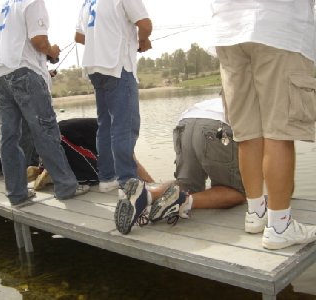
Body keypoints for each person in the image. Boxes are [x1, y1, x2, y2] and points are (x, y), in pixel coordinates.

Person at [211, 0, 316, 250]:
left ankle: (256, 213)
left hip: (229, 27)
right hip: (277, 25)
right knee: (278, 133)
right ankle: (280, 226)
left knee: (248, 132)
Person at [0, 0, 89, 206]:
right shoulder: (32, 1)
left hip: (0, 74)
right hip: (24, 71)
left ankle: (17, 194)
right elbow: (39, 41)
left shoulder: (0, 8)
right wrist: (52, 51)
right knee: (45, 130)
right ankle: (66, 186)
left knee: (10, 137)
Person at [115, 97, 246, 234]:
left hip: (185, 122)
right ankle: (183, 201)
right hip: (216, 126)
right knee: (236, 192)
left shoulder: (226, 96)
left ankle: (147, 194)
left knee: (187, 184)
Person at [75, 1, 152, 196]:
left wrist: (102, 39)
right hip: (117, 65)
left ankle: (107, 179)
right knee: (125, 126)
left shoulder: (88, 2)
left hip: (95, 66)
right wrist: (142, 41)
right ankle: (128, 183)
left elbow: (79, 36)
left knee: (106, 125)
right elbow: (145, 25)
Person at [29, 118, 155, 190]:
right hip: (63, 138)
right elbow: (133, 163)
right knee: (97, 177)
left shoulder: (107, 124)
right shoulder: (118, 136)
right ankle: (51, 175)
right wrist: (153, 185)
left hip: (51, 136)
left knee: (94, 165)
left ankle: (41, 169)